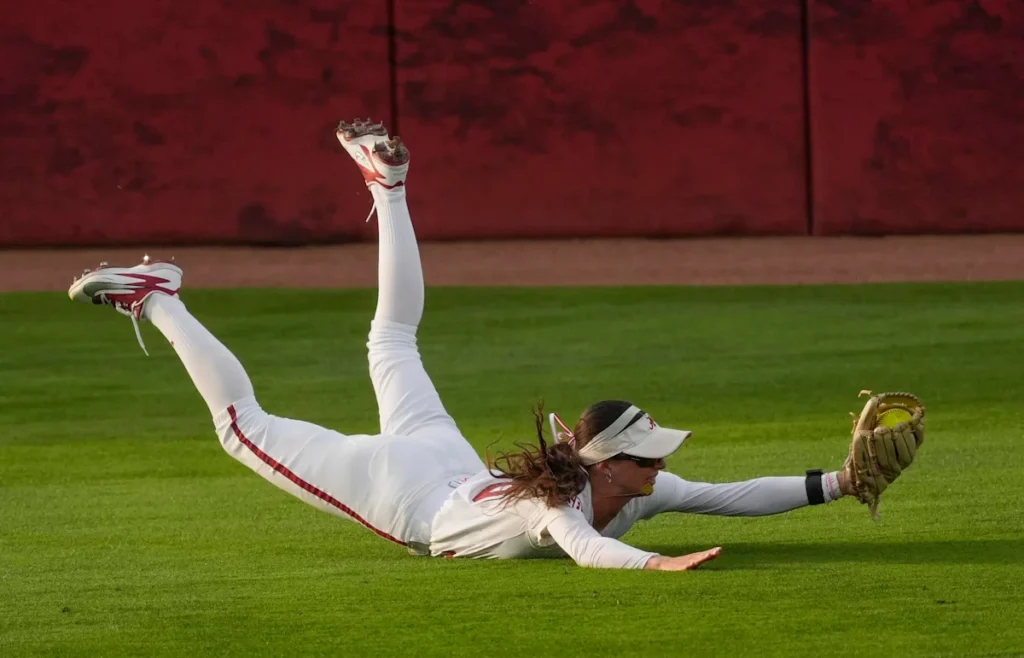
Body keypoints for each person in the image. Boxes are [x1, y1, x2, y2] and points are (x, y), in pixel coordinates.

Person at [68, 118, 855, 571]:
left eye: (654, 456)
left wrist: (840, 482)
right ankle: (160, 297)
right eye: (645, 457)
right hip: (408, 493)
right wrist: (660, 565)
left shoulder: (632, 489)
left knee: (392, 335)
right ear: (606, 463)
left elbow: (737, 495)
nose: (659, 467)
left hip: (446, 466)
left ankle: (389, 189)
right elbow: (585, 552)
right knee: (241, 426)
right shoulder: (564, 506)